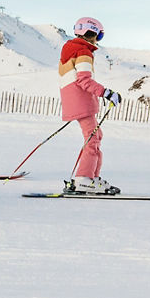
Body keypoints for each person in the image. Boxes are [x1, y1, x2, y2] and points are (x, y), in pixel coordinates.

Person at [59, 17, 122, 193]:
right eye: (99, 36)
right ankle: (84, 179)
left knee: (95, 136)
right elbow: (84, 80)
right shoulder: (83, 52)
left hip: (75, 101)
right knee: (92, 138)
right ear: (92, 33)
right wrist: (107, 93)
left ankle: (91, 178)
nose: (98, 40)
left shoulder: (71, 50)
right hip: (81, 101)